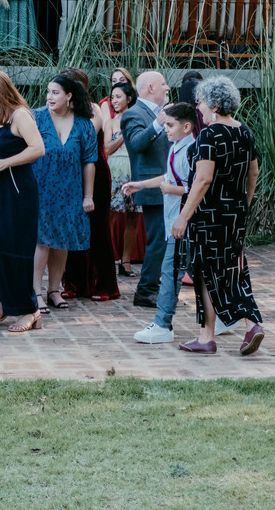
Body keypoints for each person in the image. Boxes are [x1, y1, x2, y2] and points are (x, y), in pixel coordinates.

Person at [171, 77, 265, 356]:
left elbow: (202, 180)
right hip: (234, 212)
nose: (197, 107)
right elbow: (253, 173)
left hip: (208, 214)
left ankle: (208, 336)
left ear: (213, 104)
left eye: (200, 102)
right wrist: (242, 205)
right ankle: (246, 324)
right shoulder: (243, 132)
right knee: (233, 268)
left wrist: (183, 217)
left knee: (204, 272)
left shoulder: (210, 135)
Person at [0, 70, 46, 333]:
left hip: (17, 193)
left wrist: (4, 162)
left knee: (14, 252)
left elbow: (38, 148)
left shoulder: (20, 115)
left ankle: (29, 310)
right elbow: (5, 146)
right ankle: (4, 298)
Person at [126, 102, 198, 344]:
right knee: (191, 272)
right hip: (174, 221)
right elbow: (167, 177)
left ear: (186, 126)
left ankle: (162, 323)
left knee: (170, 273)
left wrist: (170, 189)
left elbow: (194, 187)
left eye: (170, 124)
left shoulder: (190, 151)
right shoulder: (176, 147)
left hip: (181, 223)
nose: (165, 129)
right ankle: (219, 319)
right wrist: (142, 184)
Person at [31, 73, 98, 313]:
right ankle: (35, 291)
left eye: (55, 92)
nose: (49, 96)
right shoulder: (36, 117)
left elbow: (89, 161)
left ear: (69, 96)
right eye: (48, 92)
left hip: (71, 189)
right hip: (41, 188)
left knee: (62, 242)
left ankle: (54, 290)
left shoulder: (83, 123)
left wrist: (88, 196)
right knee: (41, 241)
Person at [59, 68, 119, 302]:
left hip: (96, 172)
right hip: (70, 174)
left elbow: (83, 138)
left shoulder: (93, 110)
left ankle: (104, 285)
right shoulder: (60, 112)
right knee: (72, 227)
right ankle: (74, 282)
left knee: (97, 228)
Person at [122, 70, 172, 308]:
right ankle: (145, 290)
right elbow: (136, 143)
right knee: (158, 240)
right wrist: (158, 123)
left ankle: (158, 286)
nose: (167, 88)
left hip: (169, 184)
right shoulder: (133, 114)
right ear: (151, 88)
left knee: (167, 238)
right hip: (151, 186)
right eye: (163, 84)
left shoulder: (161, 112)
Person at [102, 68, 142, 277]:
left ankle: (126, 261)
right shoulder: (110, 122)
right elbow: (107, 148)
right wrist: (123, 136)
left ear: (129, 97)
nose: (114, 101)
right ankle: (109, 257)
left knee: (134, 216)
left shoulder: (137, 117)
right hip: (115, 169)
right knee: (110, 215)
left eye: (119, 97)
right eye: (113, 97)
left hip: (134, 168)